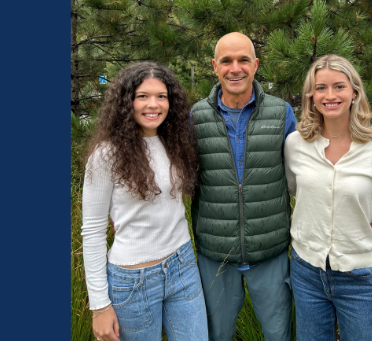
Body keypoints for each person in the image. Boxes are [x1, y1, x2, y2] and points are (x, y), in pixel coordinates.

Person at [285, 55, 372, 341]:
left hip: (359, 279)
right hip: (306, 273)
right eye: (321, 88)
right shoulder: (295, 144)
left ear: (354, 93)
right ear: (311, 96)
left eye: (339, 86)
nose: (330, 95)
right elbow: (295, 193)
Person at [82, 62, 207, 341]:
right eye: (143, 96)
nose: (154, 104)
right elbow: (92, 231)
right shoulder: (106, 155)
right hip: (132, 282)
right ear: (127, 102)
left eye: (161, 96)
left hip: (183, 267)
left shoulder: (175, 142)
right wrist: (99, 305)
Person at [189, 32, 297, 341]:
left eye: (243, 60)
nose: (235, 68)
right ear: (214, 66)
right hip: (216, 255)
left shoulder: (281, 113)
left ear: (256, 64)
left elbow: (305, 175)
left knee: (278, 334)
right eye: (226, 61)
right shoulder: (196, 117)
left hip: (270, 252)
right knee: (216, 335)